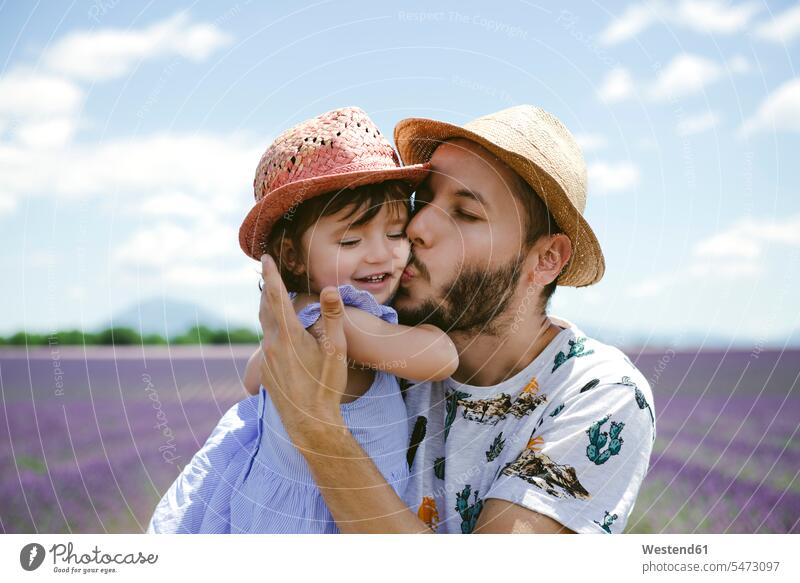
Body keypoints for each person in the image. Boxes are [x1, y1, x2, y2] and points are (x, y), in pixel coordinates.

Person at [253, 105, 657, 534]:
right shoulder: (382, 346)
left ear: (546, 258)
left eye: (465, 213)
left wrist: (318, 433)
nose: (417, 227)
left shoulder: (598, 393)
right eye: (421, 201)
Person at [146, 106, 457, 533]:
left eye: (396, 233)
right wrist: (427, 327)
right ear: (291, 255)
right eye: (350, 240)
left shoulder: (296, 318)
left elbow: (254, 378)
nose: (381, 254)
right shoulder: (338, 319)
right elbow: (439, 359)